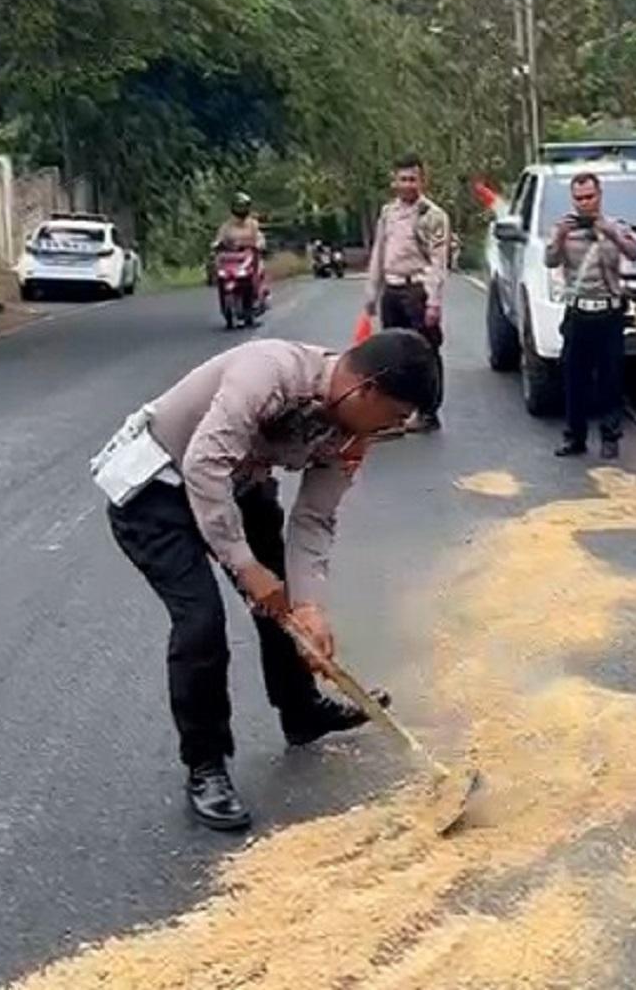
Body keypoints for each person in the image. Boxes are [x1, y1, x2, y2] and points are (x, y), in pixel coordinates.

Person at [97, 330, 439, 831]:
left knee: (285, 605)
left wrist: (310, 607)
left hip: (239, 486)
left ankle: (301, 712)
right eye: (390, 417)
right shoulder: (270, 372)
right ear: (364, 390)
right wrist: (245, 565)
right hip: (158, 492)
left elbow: (314, 521)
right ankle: (205, 765)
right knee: (201, 624)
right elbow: (203, 466)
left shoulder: (351, 435)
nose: (386, 431)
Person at [546, 172, 636, 460]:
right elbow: (550, 260)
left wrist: (611, 233)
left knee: (610, 378)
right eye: (579, 198)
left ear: (599, 196)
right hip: (578, 312)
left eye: (589, 197)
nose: (584, 203)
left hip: (608, 312)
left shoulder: (616, 226)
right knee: (574, 379)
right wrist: (560, 237)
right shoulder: (564, 228)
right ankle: (575, 436)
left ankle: (610, 436)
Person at [366, 155, 452, 432]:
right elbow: (380, 251)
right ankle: (398, 413)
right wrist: (372, 291)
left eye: (412, 179)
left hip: (418, 289)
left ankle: (428, 412)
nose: (407, 184)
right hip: (392, 288)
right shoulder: (388, 213)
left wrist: (434, 302)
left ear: (422, 181)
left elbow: (439, 260)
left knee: (424, 352)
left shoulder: (433, 215)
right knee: (393, 353)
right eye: (402, 179)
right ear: (394, 182)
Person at [215, 192, 270, 305]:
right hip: (231, 257)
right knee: (221, 273)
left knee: (256, 272)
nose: (241, 209)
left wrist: (259, 244)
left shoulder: (252, 224)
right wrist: (216, 244)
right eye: (238, 206)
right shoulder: (227, 226)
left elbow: (259, 237)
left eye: (243, 206)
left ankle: (257, 296)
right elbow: (219, 238)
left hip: (248, 255)